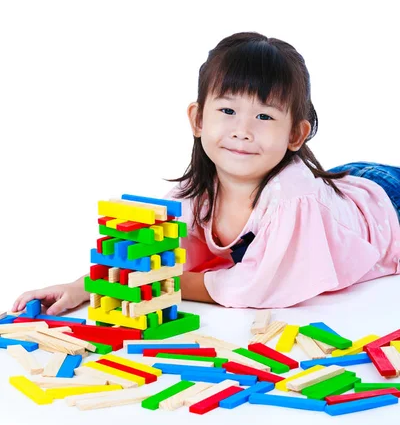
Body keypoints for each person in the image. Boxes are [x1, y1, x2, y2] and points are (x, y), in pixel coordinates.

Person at [12, 32, 400, 315]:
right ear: (198, 119)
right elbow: (151, 253)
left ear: (295, 134)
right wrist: (82, 287)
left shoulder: (292, 197)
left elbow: (256, 286)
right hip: (344, 186)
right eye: (227, 111)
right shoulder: (197, 191)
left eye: (264, 116)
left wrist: (159, 288)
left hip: (387, 209)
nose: (242, 131)